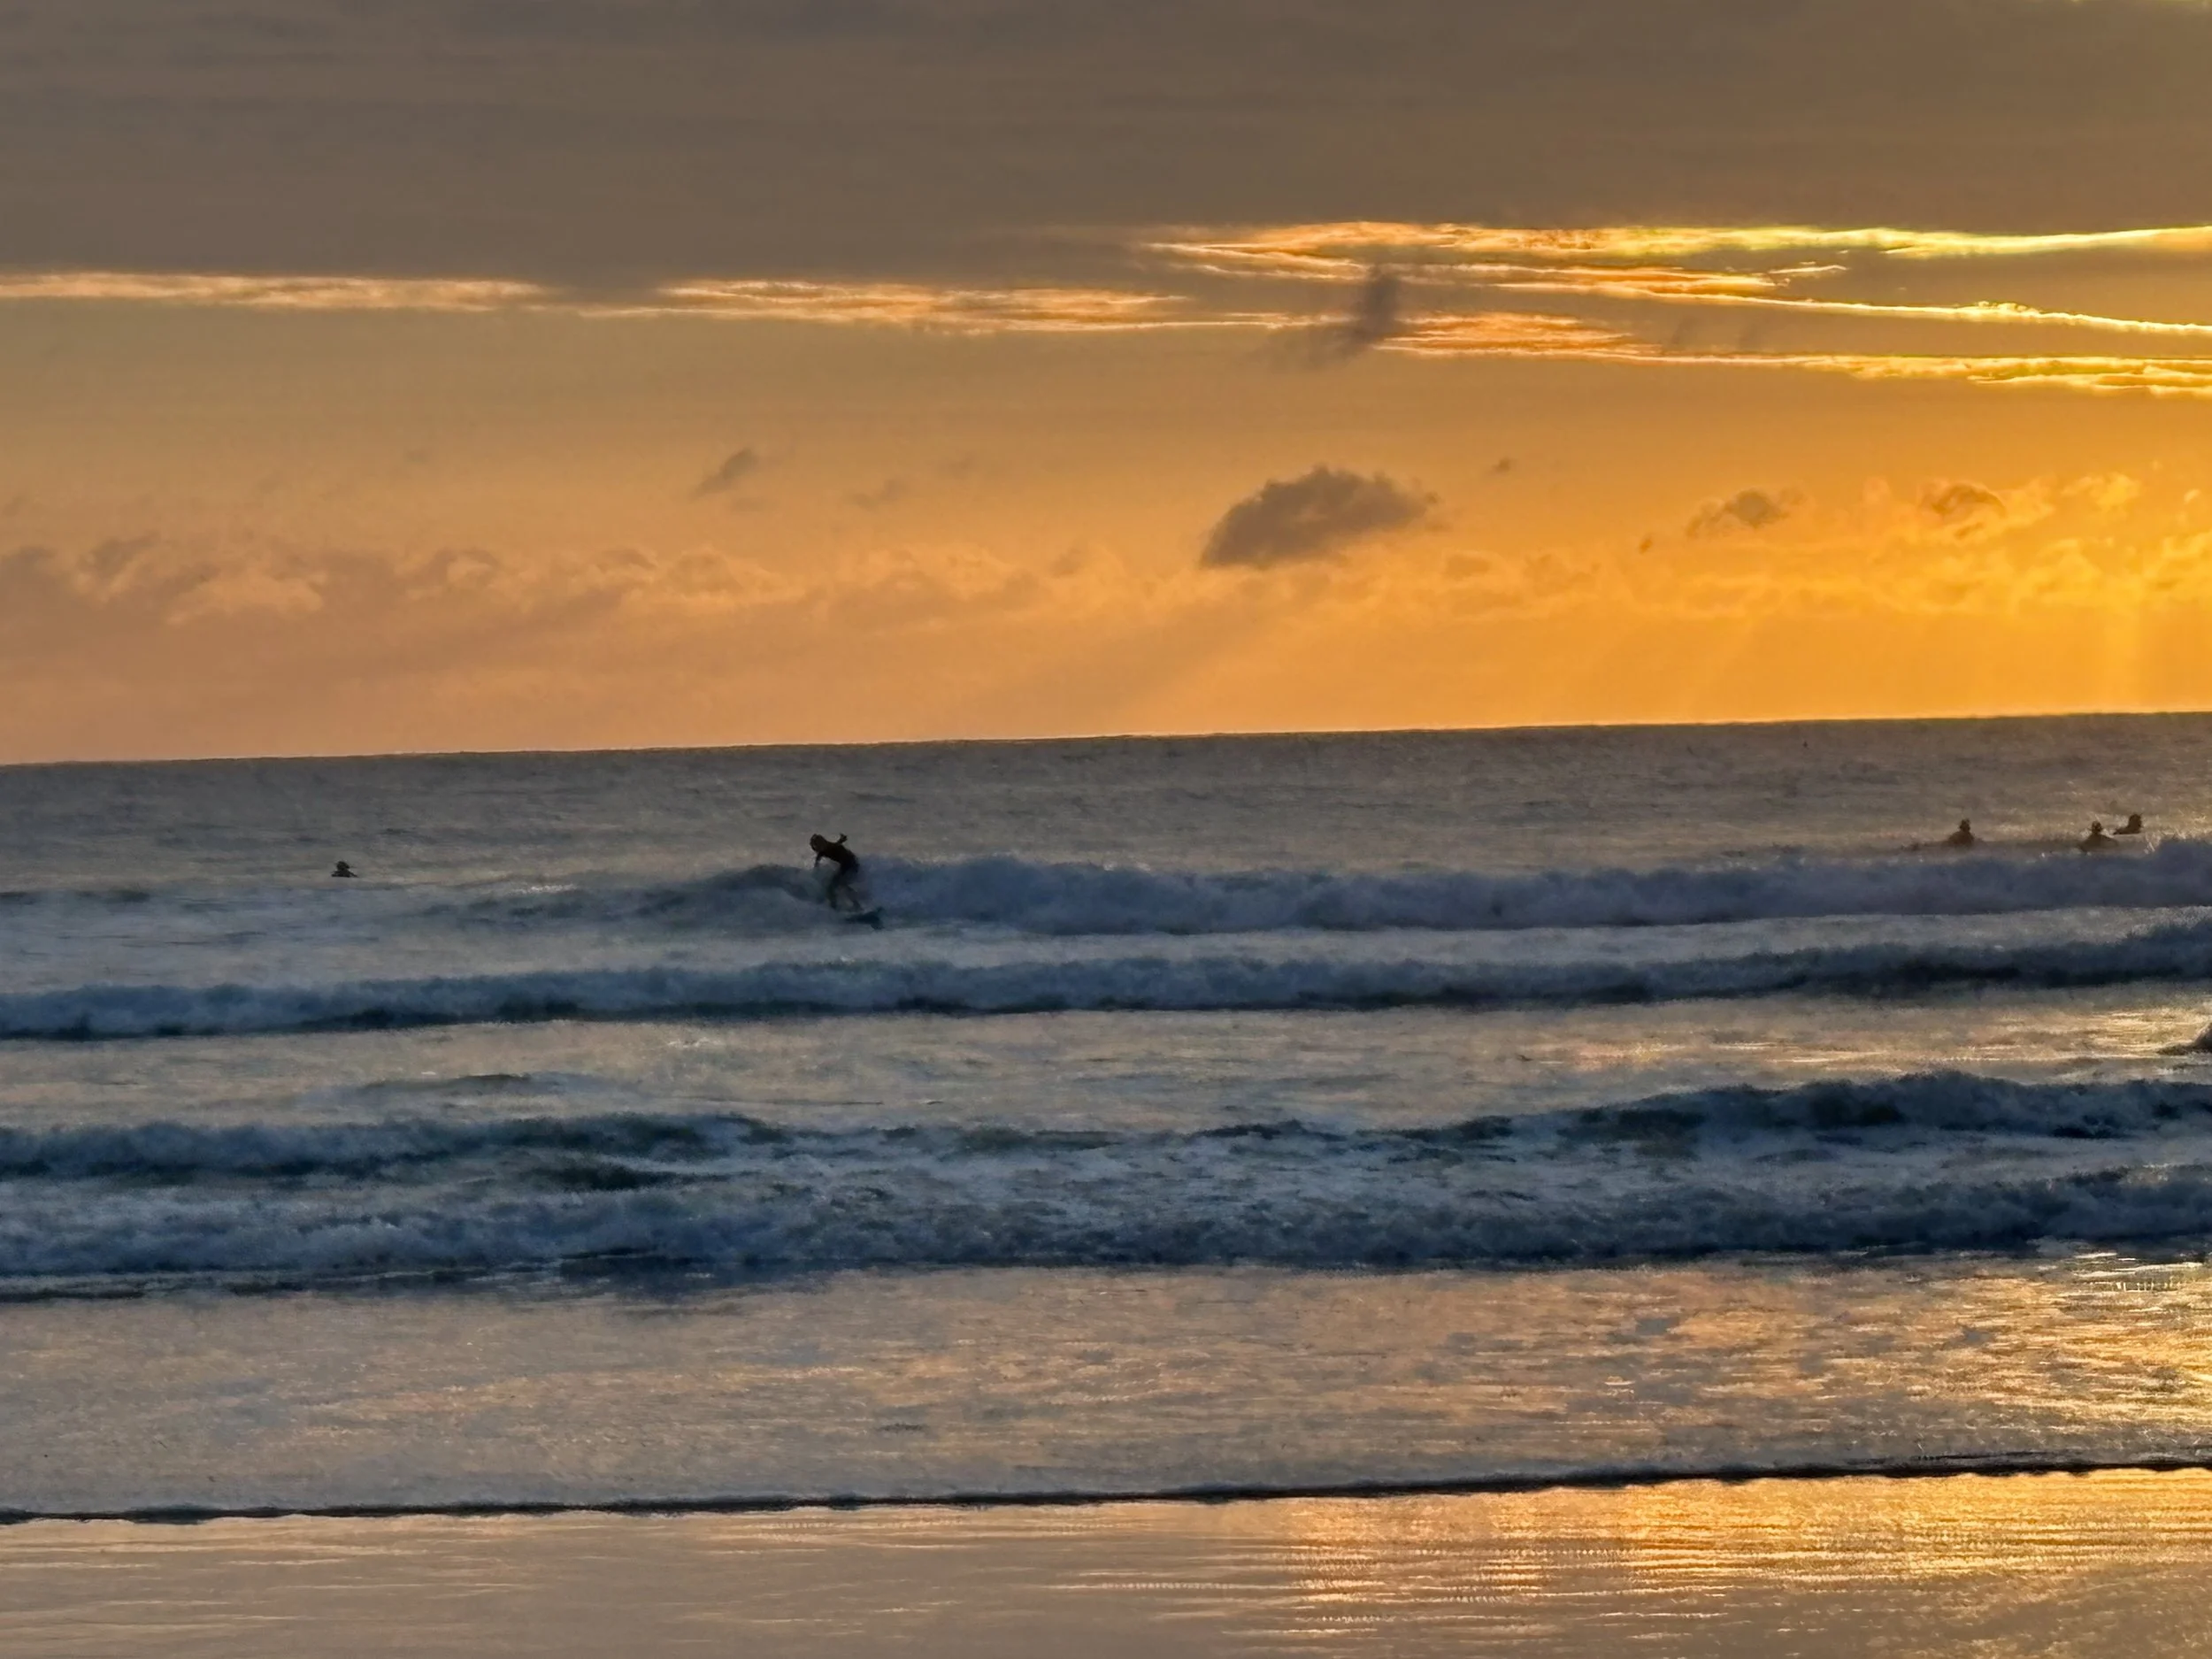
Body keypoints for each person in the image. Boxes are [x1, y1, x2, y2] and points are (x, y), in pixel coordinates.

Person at [810, 833, 864, 911]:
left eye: (817, 846)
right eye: (815, 847)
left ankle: (841, 907)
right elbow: (818, 859)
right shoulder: (823, 851)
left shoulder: (833, 847)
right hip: (846, 866)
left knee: (834, 887)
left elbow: (841, 851)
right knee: (836, 887)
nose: (817, 849)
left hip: (851, 865)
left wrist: (842, 840)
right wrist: (816, 868)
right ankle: (839, 906)